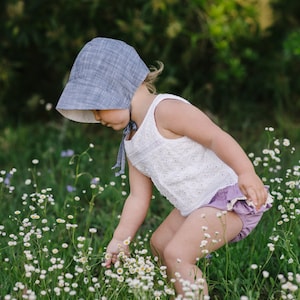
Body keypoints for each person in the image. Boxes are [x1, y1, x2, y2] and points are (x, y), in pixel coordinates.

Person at [56, 37, 272, 299]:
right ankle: (182, 292)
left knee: (177, 254)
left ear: (121, 88)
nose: (97, 118)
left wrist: (246, 172)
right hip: (194, 206)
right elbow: (138, 196)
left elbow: (216, 137)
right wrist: (120, 239)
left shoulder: (166, 110)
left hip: (228, 199)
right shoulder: (131, 141)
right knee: (159, 245)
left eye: (99, 107)